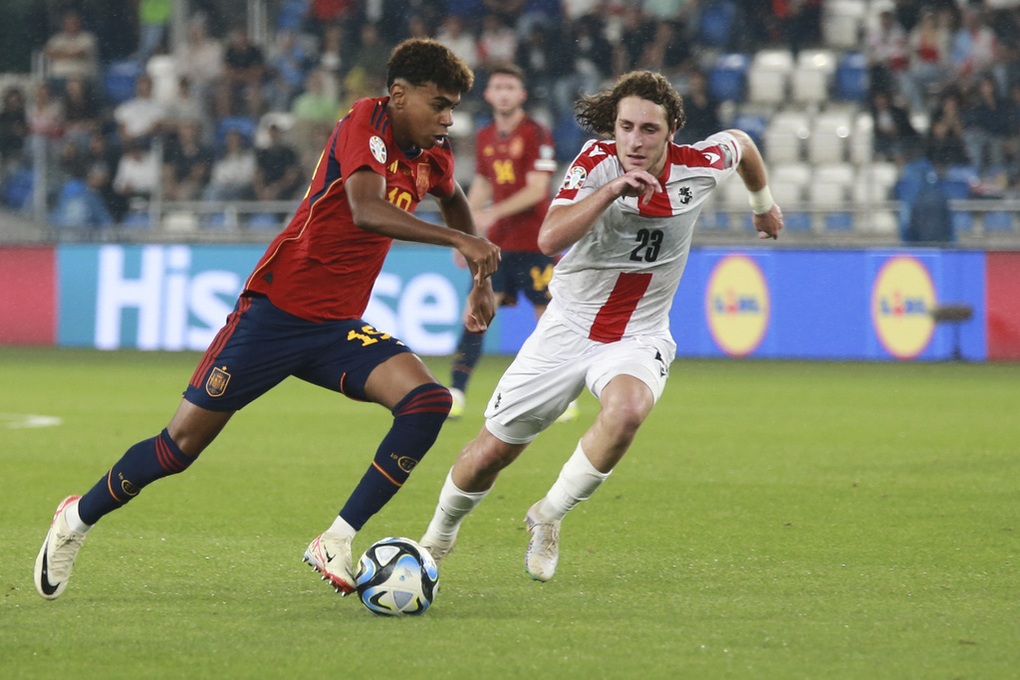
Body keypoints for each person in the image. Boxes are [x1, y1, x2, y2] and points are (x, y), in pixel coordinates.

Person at [34, 38, 500, 601]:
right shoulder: (364, 122)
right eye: (439, 104)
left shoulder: (434, 157)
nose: (449, 119)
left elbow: (454, 202)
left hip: (336, 329)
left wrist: (480, 279)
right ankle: (76, 519)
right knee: (178, 447)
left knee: (428, 401)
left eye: (453, 107)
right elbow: (365, 209)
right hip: (274, 313)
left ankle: (336, 538)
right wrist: (461, 241)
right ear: (398, 95)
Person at [420, 70, 783, 582]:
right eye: (625, 126)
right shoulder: (596, 162)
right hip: (568, 326)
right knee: (490, 453)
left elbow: (743, 145)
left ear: (672, 129)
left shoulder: (700, 164)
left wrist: (762, 205)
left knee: (628, 410)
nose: (634, 141)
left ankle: (548, 516)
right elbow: (549, 237)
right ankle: (437, 536)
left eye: (649, 130)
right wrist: (612, 189)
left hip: (640, 333)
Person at [448, 63, 561, 420]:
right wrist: (463, 236)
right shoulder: (484, 136)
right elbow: (481, 186)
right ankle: (456, 392)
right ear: (488, 94)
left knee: (549, 321)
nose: (504, 93)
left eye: (511, 87)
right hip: (497, 246)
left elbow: (537, 189)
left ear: (521, 94)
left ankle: (561, 397)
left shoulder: (537, 134)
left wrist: (493, 213)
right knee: (475, 314)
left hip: (536, 243)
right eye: (498, 87)